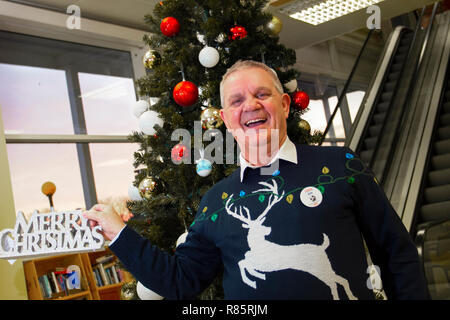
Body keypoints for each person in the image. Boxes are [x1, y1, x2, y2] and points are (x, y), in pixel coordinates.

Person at [83, 60, 428, 300]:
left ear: (285, 104)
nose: (251, 105)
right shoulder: (217, 202)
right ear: (225, 119)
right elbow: (180, 281)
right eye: (236, 100)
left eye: (262, 94)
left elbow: (396, 253)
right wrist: (120, 234)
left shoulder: (341, 165)